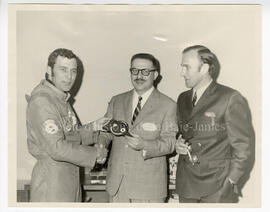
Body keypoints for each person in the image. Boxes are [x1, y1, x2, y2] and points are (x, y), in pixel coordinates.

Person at [26, 48, 109, 202]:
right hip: (52, 183)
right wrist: (94, 154)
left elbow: (71, 137)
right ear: (49, 70)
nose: (69, 77)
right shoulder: (43, 101)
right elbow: (57, 148)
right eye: (63, 70)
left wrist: (95, 126)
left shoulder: (60, 99)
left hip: (68, 181)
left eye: (73, 71)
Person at [175, 45, 255, 203]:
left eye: (186, 67)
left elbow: (243, 147)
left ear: (204, 68)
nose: (181, 73)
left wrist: (231, 181)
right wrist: (178, 144)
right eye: (181, 67)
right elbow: (184, 133)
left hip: (216, 187)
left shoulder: (230, 98)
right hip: (186, 184)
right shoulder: (182, 98)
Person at [97, 53, 178, 202]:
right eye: (135, 71)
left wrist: (145, 145)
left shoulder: (168, 105)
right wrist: (102, 146)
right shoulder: (117, 101)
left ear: (155, 75)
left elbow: (170, 143)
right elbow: (106, 132)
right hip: (117, 186)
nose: (139, 76)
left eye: (145, 71)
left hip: (148, 189)